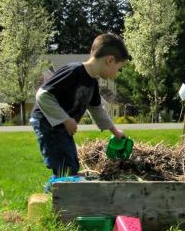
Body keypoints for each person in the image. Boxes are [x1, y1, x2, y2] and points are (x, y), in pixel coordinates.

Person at [30, 32, 129, 177]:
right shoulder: (74, 71)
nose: (117, 73)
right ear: (110, 60)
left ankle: (57, 192)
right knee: (64, 165)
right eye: (119, 68)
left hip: (61, 126)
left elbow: (97, 109)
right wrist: (65, 119)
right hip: (47, 123)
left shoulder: (92, 82)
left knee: (71, 164)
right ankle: (55, 195)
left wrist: (115, 131)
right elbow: (42, 95)